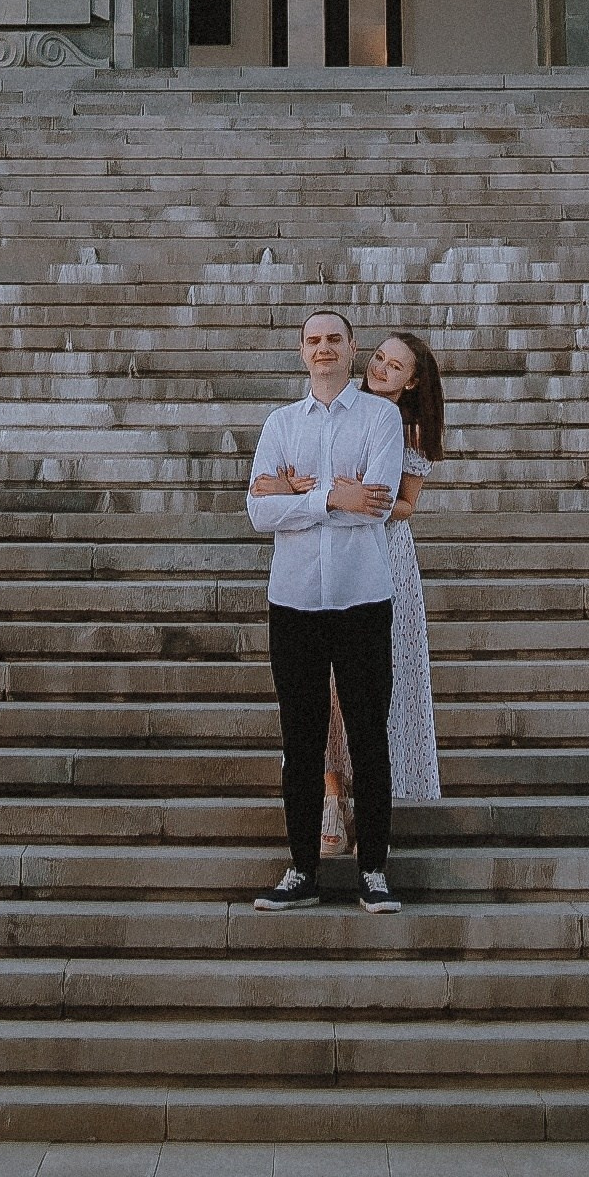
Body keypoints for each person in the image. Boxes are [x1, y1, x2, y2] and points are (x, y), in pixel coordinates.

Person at [246, 306, 406, 914]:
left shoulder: (381, 417)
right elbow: (258, 511)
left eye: (334, 339)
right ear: (301, 351)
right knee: (301, 736)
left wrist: (297, 492)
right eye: (313, 340)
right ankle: (302, 870)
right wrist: (333, 494)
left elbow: (377, 505)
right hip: (294, 601)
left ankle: (374, 871)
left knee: (368, 735)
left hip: (362, 597)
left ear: (352, 347)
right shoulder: (281, 423)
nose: (323, 349)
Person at [322, 330, 445, 854]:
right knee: (327, 678)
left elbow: (407, 504)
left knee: (383, 680)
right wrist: (339, 497)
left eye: (395, 366)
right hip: (332, 545)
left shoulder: (412, 430)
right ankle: (331, 797)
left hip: (386, 554)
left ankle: (374, 805)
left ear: (412, 381)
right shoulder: (341, 407)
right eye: (378, 358)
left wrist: (363, 501)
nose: (380, 369)